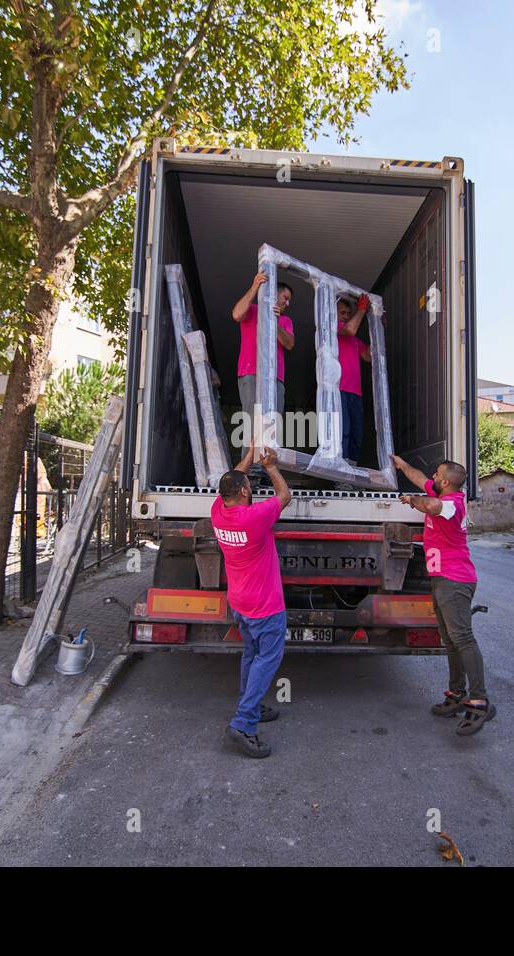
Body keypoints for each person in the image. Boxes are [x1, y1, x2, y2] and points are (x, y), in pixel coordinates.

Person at [392, 454, 494, 735]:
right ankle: (457, 694)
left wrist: (411, 501)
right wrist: (401, 466)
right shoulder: (443, 492)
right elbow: (420, 480)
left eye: (437, 475)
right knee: (450, 640)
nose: (432, 478)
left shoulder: (451, 504)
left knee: (462, 638)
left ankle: (479, 701)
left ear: (447, 481)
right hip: (442, 581)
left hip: (454, 581)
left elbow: (432, 505)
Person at [211, 444, 293, 758]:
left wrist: (248, 455)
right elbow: (284, 497)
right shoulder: (254, 517)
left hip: (241, 601)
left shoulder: (219, 511)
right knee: (267, 659)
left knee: (252, 654)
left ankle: (252, 703)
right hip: (264, 604)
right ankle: (244, 722)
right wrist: (270, 466)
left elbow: (234, 477)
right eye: (248, 486)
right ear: (246, 491)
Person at [231, 272, 295, 471]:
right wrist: (254, 287)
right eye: (286, 298)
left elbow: (289, 343)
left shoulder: (285, 321)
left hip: (276, 378)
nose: (288, 303)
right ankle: (249, 471)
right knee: (252, 421)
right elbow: (236, 314)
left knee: (272, 425)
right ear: (275, 295)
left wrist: (274, 323)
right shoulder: (253, 311)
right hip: (252, 372)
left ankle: (266, 470)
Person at [336, 295, 372, 468]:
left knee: (357, 433)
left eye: (349, 313)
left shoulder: (354, 340)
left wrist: (377, 329)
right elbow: (350, 329)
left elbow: (368, 356)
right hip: (339, 389)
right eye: (342, 313)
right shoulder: (333, 328)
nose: (346, 316)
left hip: (355, 393)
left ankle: (351, 472)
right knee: (344, 432)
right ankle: (342, 474)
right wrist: (362, 310)